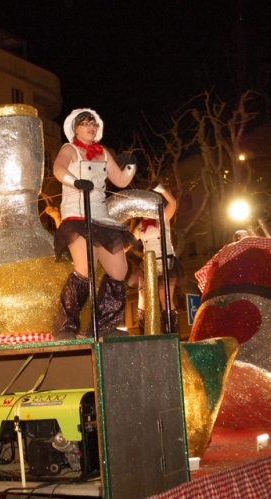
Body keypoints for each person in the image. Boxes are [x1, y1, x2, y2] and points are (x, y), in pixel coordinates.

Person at [52, 108, 136, 338]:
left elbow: (119, 180)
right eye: (85, 122)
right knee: (85, 269)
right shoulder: (70, 149)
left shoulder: (103, 152)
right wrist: (75, 181)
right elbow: (58, 169)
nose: (91, 126)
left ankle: (104, 327)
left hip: (101, 215)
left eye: (94, 123)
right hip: (78, 214)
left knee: (119, 272)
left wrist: (130, 165)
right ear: (75, 128)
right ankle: (66, 325)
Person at [131, 183, 184, 333]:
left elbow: (172, 202)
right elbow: (129, 242)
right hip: (148, 265)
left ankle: (170, 333)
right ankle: (143, 333)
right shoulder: (140, 226)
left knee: (165, 299)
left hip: (167, 263)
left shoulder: (163, 218)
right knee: (142, 297)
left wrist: (160, 189)